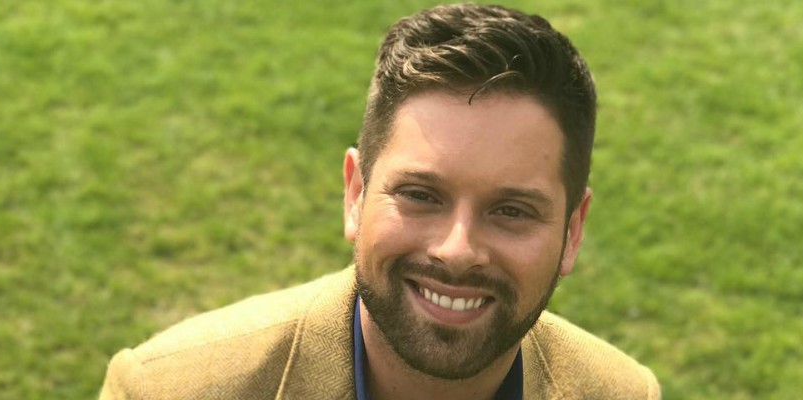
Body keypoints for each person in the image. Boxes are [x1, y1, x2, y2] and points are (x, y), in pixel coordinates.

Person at [99, 3, 660, 399]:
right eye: (420, 195)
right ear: (355, 194)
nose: (457, 250)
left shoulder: (623, 393)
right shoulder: (165, 389)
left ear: (572, 232)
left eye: (511, 211)